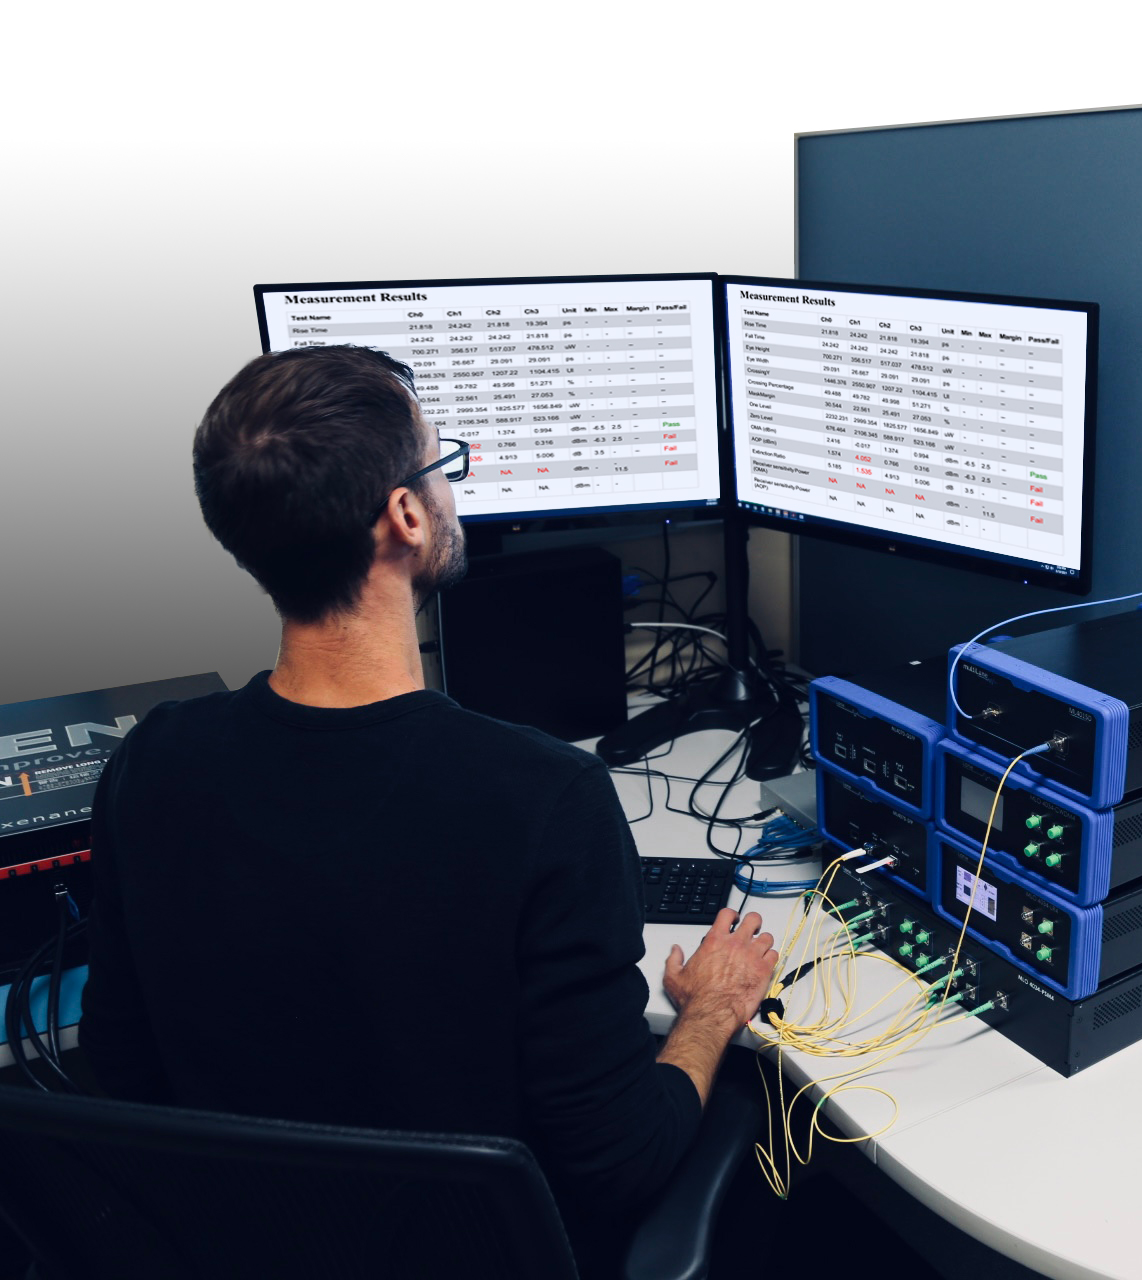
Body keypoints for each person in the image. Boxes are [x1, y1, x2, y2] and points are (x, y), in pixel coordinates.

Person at [79, 344, 779, 1276]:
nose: (452, 490)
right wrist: (713, 1010)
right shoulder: (544, 798)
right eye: (442, 465)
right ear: (406, 516)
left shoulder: (151, 762)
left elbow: (119, 1072)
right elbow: (619, 1162)